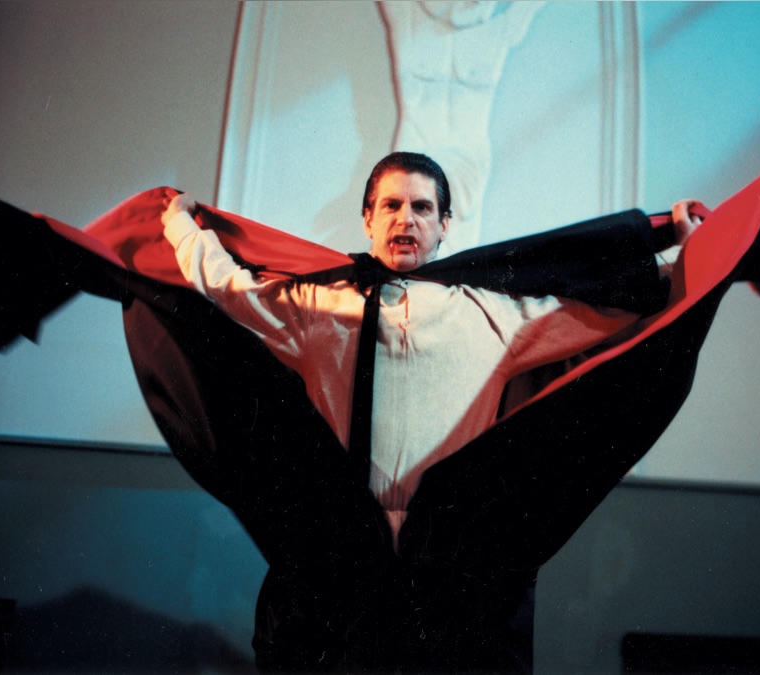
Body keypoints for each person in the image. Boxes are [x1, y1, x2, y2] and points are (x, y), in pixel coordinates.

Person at [159, 151, 701, 670]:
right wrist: (179, 225)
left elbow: (604, 306)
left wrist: (688, 253)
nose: (406, 219)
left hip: (456, 569)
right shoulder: (316, 308)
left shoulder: (493, 314)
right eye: (391, 205)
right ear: (368, 220)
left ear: (443, 226)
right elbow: (227, 285)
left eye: (422, 207)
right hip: (340, 561)